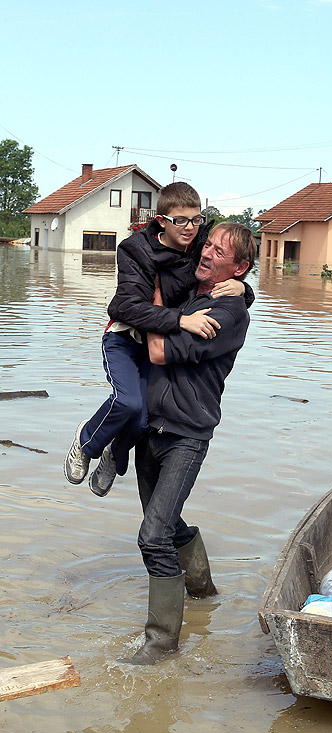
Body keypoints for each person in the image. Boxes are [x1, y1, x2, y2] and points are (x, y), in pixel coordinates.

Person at [64, 182, 253, 497]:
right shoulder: (135, 249)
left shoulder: (198, 242)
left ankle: (114, 453)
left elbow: (228, 266)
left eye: (196, 220)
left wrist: (243, 288)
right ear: (162, 220)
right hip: (126, 338)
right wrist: (181, 319)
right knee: (128, 402)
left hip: (155, 342)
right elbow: (124, 307)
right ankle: (87, 441)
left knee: (140, 420)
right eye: (181, 221)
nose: (191, 229)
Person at [124, 221, 255, 665]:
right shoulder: (198, 296)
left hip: (186, 434)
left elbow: (159, 352)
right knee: (167, 524)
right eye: (208, 245)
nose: (206, 253)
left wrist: (154, 306)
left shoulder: (228, 312)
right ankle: (203, 594)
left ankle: (161, 644)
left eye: (219, 252)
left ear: (239, 267)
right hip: (151, 429)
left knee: (153, 535)